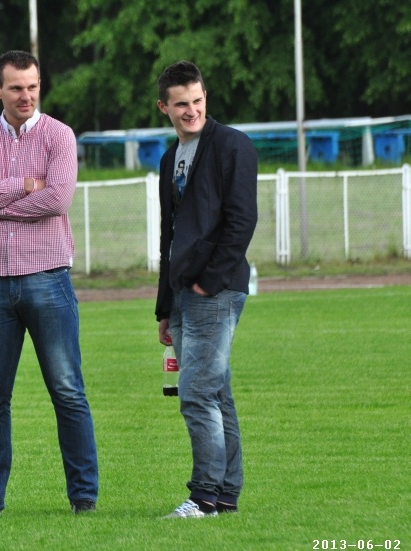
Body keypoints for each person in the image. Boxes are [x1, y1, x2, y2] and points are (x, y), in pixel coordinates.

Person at [0, 50, 99, 515]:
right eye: (16, 88)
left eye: (32, 86)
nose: (26, 96)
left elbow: (57, 200)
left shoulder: (59, 135)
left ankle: (83, 497)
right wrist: (23, 185)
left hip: (48, 276)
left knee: (67, 390)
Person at [154, 60, 258, 518]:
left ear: (205, 98)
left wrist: (207, 282)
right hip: (182, 294)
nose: (191, 110)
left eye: (197, 100)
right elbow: (169, 235)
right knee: (216, 395)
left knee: (196, 394)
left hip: (215, 290)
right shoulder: (169, 158)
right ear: (164, 107)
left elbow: (242, 220)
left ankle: (203, 498)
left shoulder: (232, 145)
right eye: (181, 104)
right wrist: (165, 306)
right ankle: (226, 495)